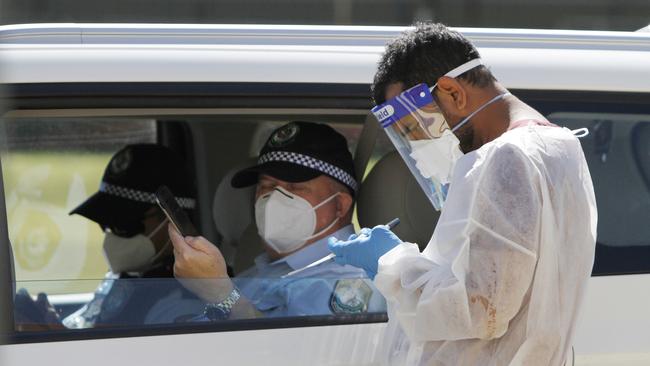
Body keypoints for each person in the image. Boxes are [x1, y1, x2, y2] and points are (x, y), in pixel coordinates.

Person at [328, 23, 597, 365]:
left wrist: (392, 265)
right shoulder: (558, 145)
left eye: (414, 128)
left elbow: (481, 308)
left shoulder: (506, 158)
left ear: (454, 93)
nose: (417, 148)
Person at [170, 121, 385, 319]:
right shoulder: (255, 274)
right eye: (266, 186)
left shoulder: (353, 282)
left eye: (295, 187)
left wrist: (221, 294)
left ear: (340, 205)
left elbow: (295, 355)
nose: (273, 199)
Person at [63, 144, 204, 328]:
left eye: (123, 224)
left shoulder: (184, 302)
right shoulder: (132, 277)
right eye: (105, 224)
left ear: (173, 221)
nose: (111, 235)